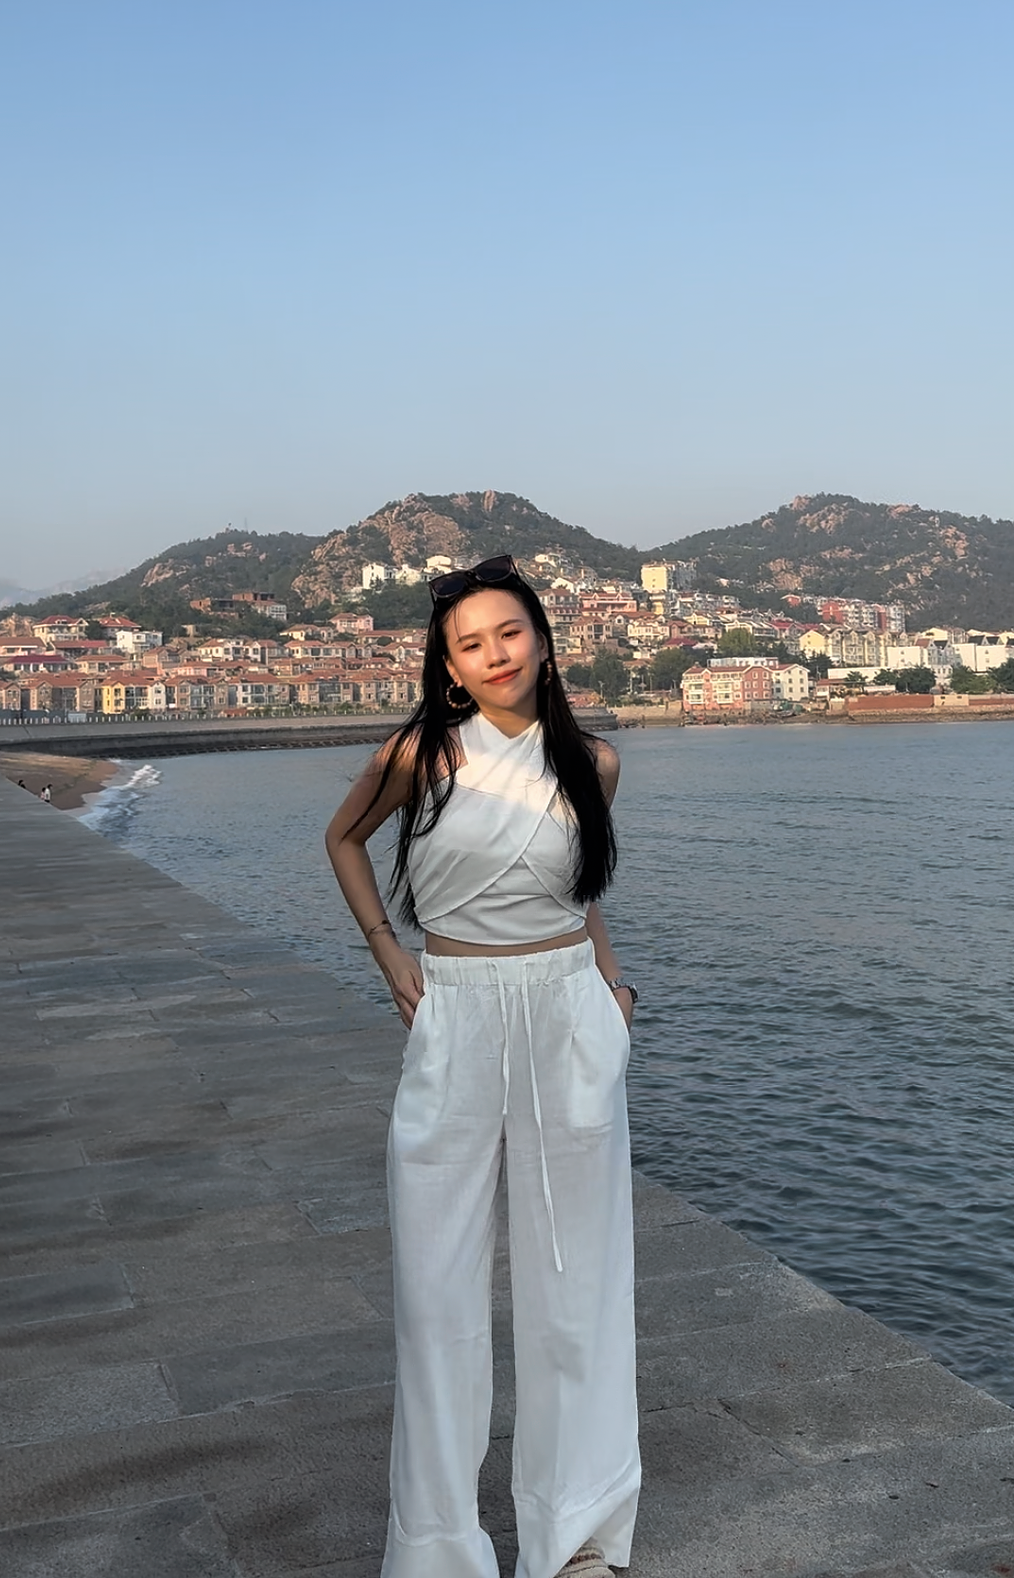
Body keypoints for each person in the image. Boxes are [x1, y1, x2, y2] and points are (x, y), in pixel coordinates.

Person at [326, 555, 639, 1578]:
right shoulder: (421, 752)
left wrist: (614, 991)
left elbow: (580, 889)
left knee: (578, 1284)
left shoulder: (594, 762)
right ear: (450, 667)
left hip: (568, 1011)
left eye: (509, 632)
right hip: (455, 1012)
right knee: (437, 1293)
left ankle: (577, 1537)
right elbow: (342, 838)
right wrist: (389, 955)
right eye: (470, 643)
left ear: (542, 641)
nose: (494, 653)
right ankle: (438, 1549)